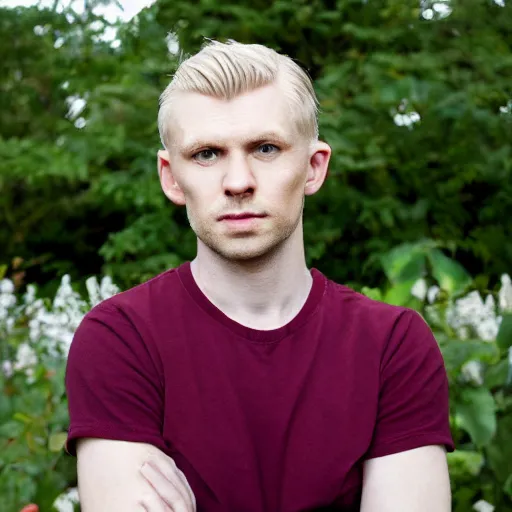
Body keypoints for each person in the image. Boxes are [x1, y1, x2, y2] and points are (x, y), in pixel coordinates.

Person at [65, 39, 454, 511]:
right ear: (171, 177)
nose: (237, 182)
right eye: (207, 154)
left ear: (313, 168)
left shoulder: (393, 346)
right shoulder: (121, 339)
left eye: (265, 148)